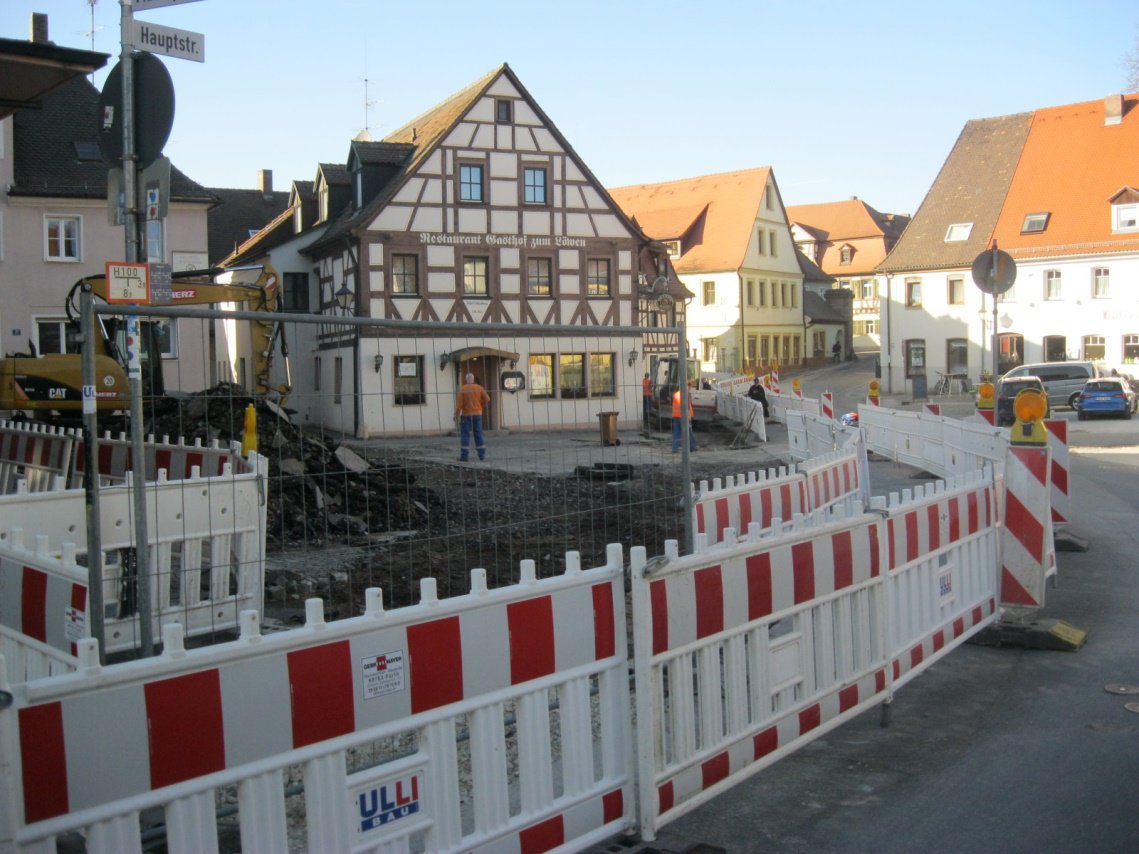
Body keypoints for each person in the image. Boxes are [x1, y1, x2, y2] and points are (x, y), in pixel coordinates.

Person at [455, 372, 490, 461]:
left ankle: (464, 456)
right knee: (478, 434)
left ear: (466, 380)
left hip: (466, 415)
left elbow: (459, 405)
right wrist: (481, 405)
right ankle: (481, 455)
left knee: (465, 435)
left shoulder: (463, 389)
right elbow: (487, 399)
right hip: (478, 414)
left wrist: (456, 415)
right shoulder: (479, 388)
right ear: (473, 379)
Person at [671, 383, 697, 453]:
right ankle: (692, 447)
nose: (690, 389)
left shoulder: (676, 394)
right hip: (683, 416)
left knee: (677, 433)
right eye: (689, 387)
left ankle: (674, 448)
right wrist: (689, 416)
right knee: (688, 432)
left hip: (675, 416)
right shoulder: (685, 394)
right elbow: (687, 406)